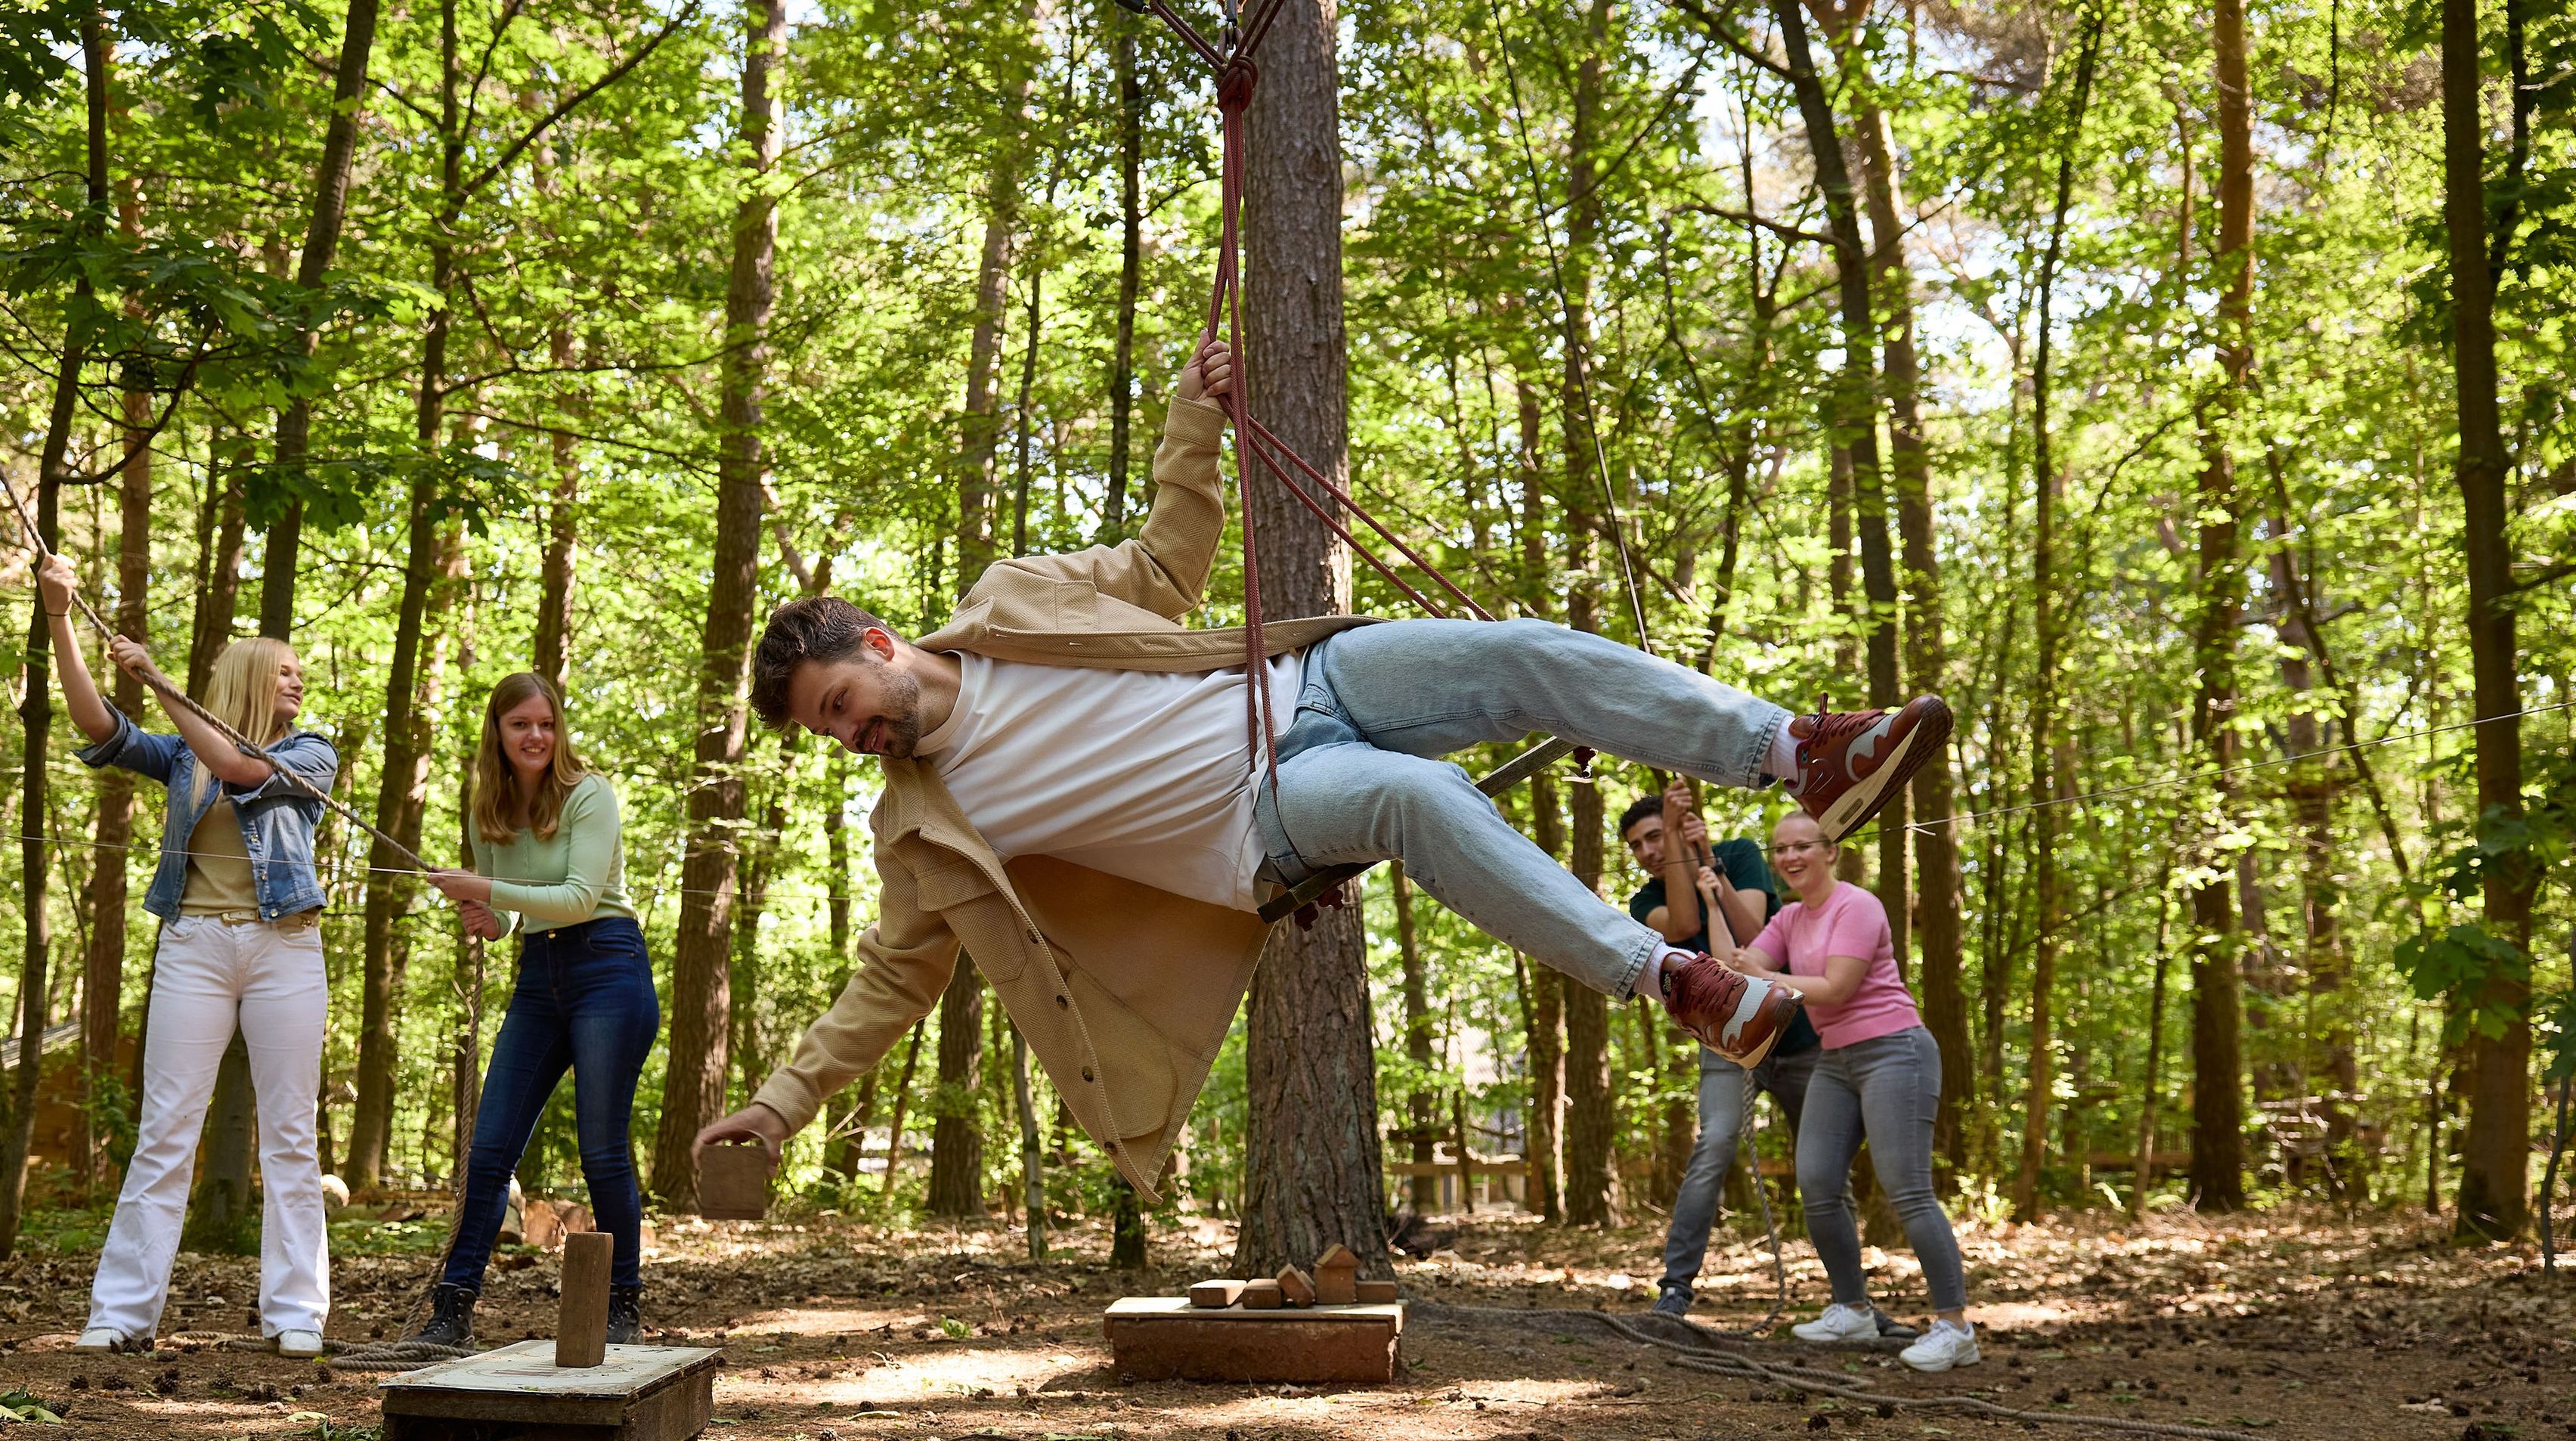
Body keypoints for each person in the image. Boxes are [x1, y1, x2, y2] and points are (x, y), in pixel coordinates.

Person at [688, 333, 1952, 1205]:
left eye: (847, 704)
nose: (859, 736)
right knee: (1414, 799)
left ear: (881, 645)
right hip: (1264, 820)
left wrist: (1196, 418)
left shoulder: (1014, 599)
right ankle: (1676, 982)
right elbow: (887, 988)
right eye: (835, 736)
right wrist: (782, 1107)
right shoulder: (923, 831)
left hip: (1314, 685)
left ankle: (1801, 749)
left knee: (1519, 650)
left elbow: (1164, 567)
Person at [40, 553, 337, 1358]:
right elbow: (96, 723)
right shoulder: (177, 757)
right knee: (165, 1130)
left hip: (286, 949)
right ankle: (122, 1312)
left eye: (300, 673)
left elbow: (241, 767)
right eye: (284, 673)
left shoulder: (313, 752)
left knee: (289, 1133)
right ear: (247, 674)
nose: (297, 684)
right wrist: (62, 615)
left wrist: (160, 678)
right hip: (193, 947)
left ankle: (296, 1312)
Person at [413, 672, 658, 1347]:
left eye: (546, 723)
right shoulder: (487, 808)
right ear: (498, 731)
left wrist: (485, 885)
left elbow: (580, 896)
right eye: (521, 724)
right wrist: (484, 915)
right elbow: (508, 914)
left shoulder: (588, 794)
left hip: (609, 965)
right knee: (489, 1149)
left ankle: (623, 1306)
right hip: (538, 975)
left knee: (602, 1148)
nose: (536, 736)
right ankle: (452, 1309)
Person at [1729, 811, 1975, 1372]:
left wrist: (1766, 976)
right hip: (1836, 1058)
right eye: (1780, 849)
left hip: (1895, 1049)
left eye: (1802, 846)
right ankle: (1854, 1307)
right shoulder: (1789, 916)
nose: (1790, 857)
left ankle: (1957, 1326)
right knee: (1815, 1179)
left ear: (1830, 850)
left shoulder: (1858, 905)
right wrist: (1715, 898)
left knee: (1906, 1188)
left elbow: (1836, 987)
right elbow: (1744, 968)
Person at [1622, 780, 1822, 1322]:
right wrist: (1678, 844)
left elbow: (1756, 933)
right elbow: (1686, 927)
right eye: (1638, 845)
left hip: (1799, 1037)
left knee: (1821, 1163)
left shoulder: (1737, 855)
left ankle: (1851, 1300)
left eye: (1652, 836)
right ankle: (1675, 1289)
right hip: (1727, 1044)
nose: (1647, 852)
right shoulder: (1646, 902)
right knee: (1713, 1144)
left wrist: (1704, 858)